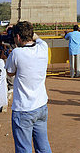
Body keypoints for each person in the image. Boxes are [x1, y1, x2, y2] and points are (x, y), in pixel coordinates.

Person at [5, 21, 52, 153]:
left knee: (23, 148)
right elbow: (38, 39)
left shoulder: (16, 53)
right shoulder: (43, 47)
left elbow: (9, 72)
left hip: (23, 109)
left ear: (18, 37)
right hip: (41, 105)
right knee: (43, 147)